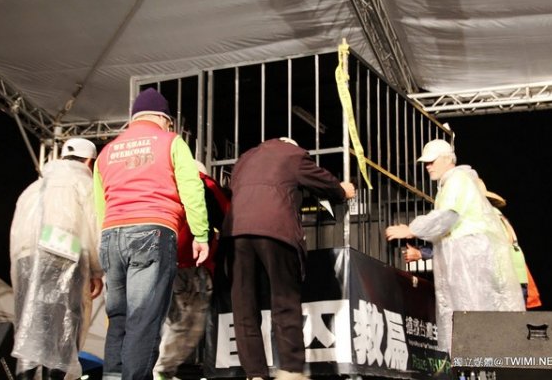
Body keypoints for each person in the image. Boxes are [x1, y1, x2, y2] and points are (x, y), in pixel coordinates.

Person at [94, 88, 210, 380]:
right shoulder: (171, 141)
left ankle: (112, 376)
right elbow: (192, 188)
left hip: (111, 234)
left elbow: (100, 204)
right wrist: (200, 234)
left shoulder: (107, 152)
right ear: (163, 117)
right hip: (152, 230)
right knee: (143, 317)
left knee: (118, 317)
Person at [223, 137, 356, 380]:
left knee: (244, 307)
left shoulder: (245, 158)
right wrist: (341, 190)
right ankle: (291, 371)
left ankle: (254, 374)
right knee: (284, 302)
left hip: (236, 232)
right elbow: (323, 181)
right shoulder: (292, 155)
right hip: (276, 230)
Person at [385, 139, 524, 354]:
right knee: (465, 313)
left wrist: (411, 230)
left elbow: (447, 216)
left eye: (432, 161)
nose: (428, 166)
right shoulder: (450, 184)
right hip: (464, 256)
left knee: (471, 311)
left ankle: (477, 361)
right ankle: (471, 360)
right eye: (426, 162)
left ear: (447, 159)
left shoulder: (457, 180)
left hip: (469, 256)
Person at [10, 138, 103, 380]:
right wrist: (96, 270)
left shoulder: (34, 187)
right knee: (63, 327)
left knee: (31, 325)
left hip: (25, 259)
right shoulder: (83, 183)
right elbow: (93, 227)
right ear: (89, 161)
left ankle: (25, 377)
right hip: (64, 256)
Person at [155, 162, 231, 380]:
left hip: (155, 261)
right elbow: (228, 218)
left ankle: (148, 368)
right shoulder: (205, 184)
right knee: (189, 321)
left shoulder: (161, 181)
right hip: (190, 263)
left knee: (158, 320)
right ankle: (162, 370)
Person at [477, 181, 542, 309]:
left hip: (504, 278)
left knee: (501, 320)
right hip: (516, 276)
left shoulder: (487, 217)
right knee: (513, 319)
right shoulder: (497, 215)